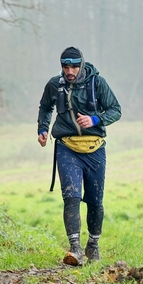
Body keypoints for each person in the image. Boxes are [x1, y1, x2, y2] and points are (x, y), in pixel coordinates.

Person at [37, 46, 121, 265]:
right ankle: (75, 249)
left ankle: (93, 245)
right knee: (71, 196)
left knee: (95, 201)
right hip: (67, 147)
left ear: (82, 65)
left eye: (74, 66)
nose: (70, 71)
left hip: (95, 148)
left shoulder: (97, 83)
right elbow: (45, 107)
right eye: (66, 67)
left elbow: (115, 110)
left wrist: (95, 120)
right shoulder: (55, 84)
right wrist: (43, 129)